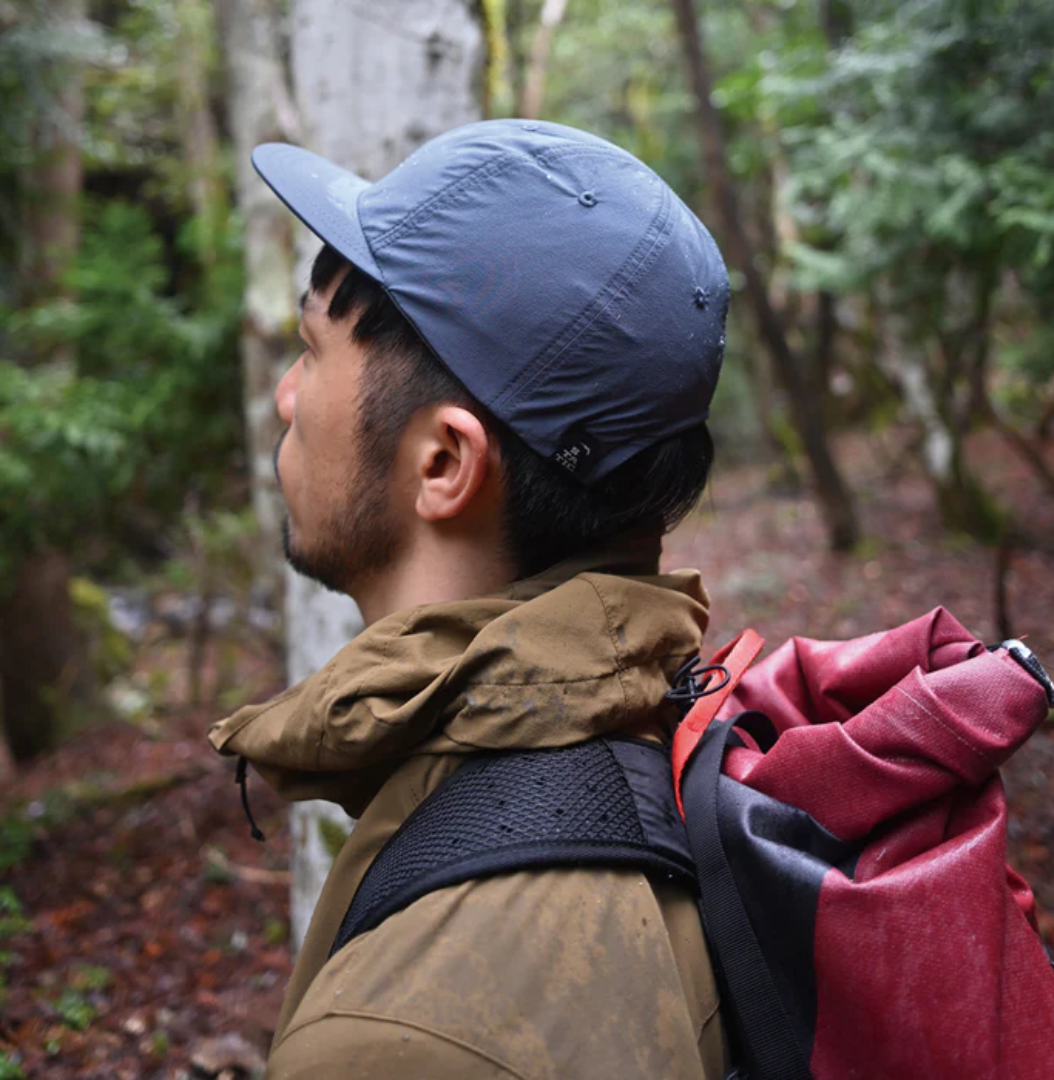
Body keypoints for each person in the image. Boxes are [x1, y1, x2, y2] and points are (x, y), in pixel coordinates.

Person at [210, 119, 730, 1079]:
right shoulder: (649, 725)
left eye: (311, 350)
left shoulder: (402, 1038)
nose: (286, 396)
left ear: (444, 462)